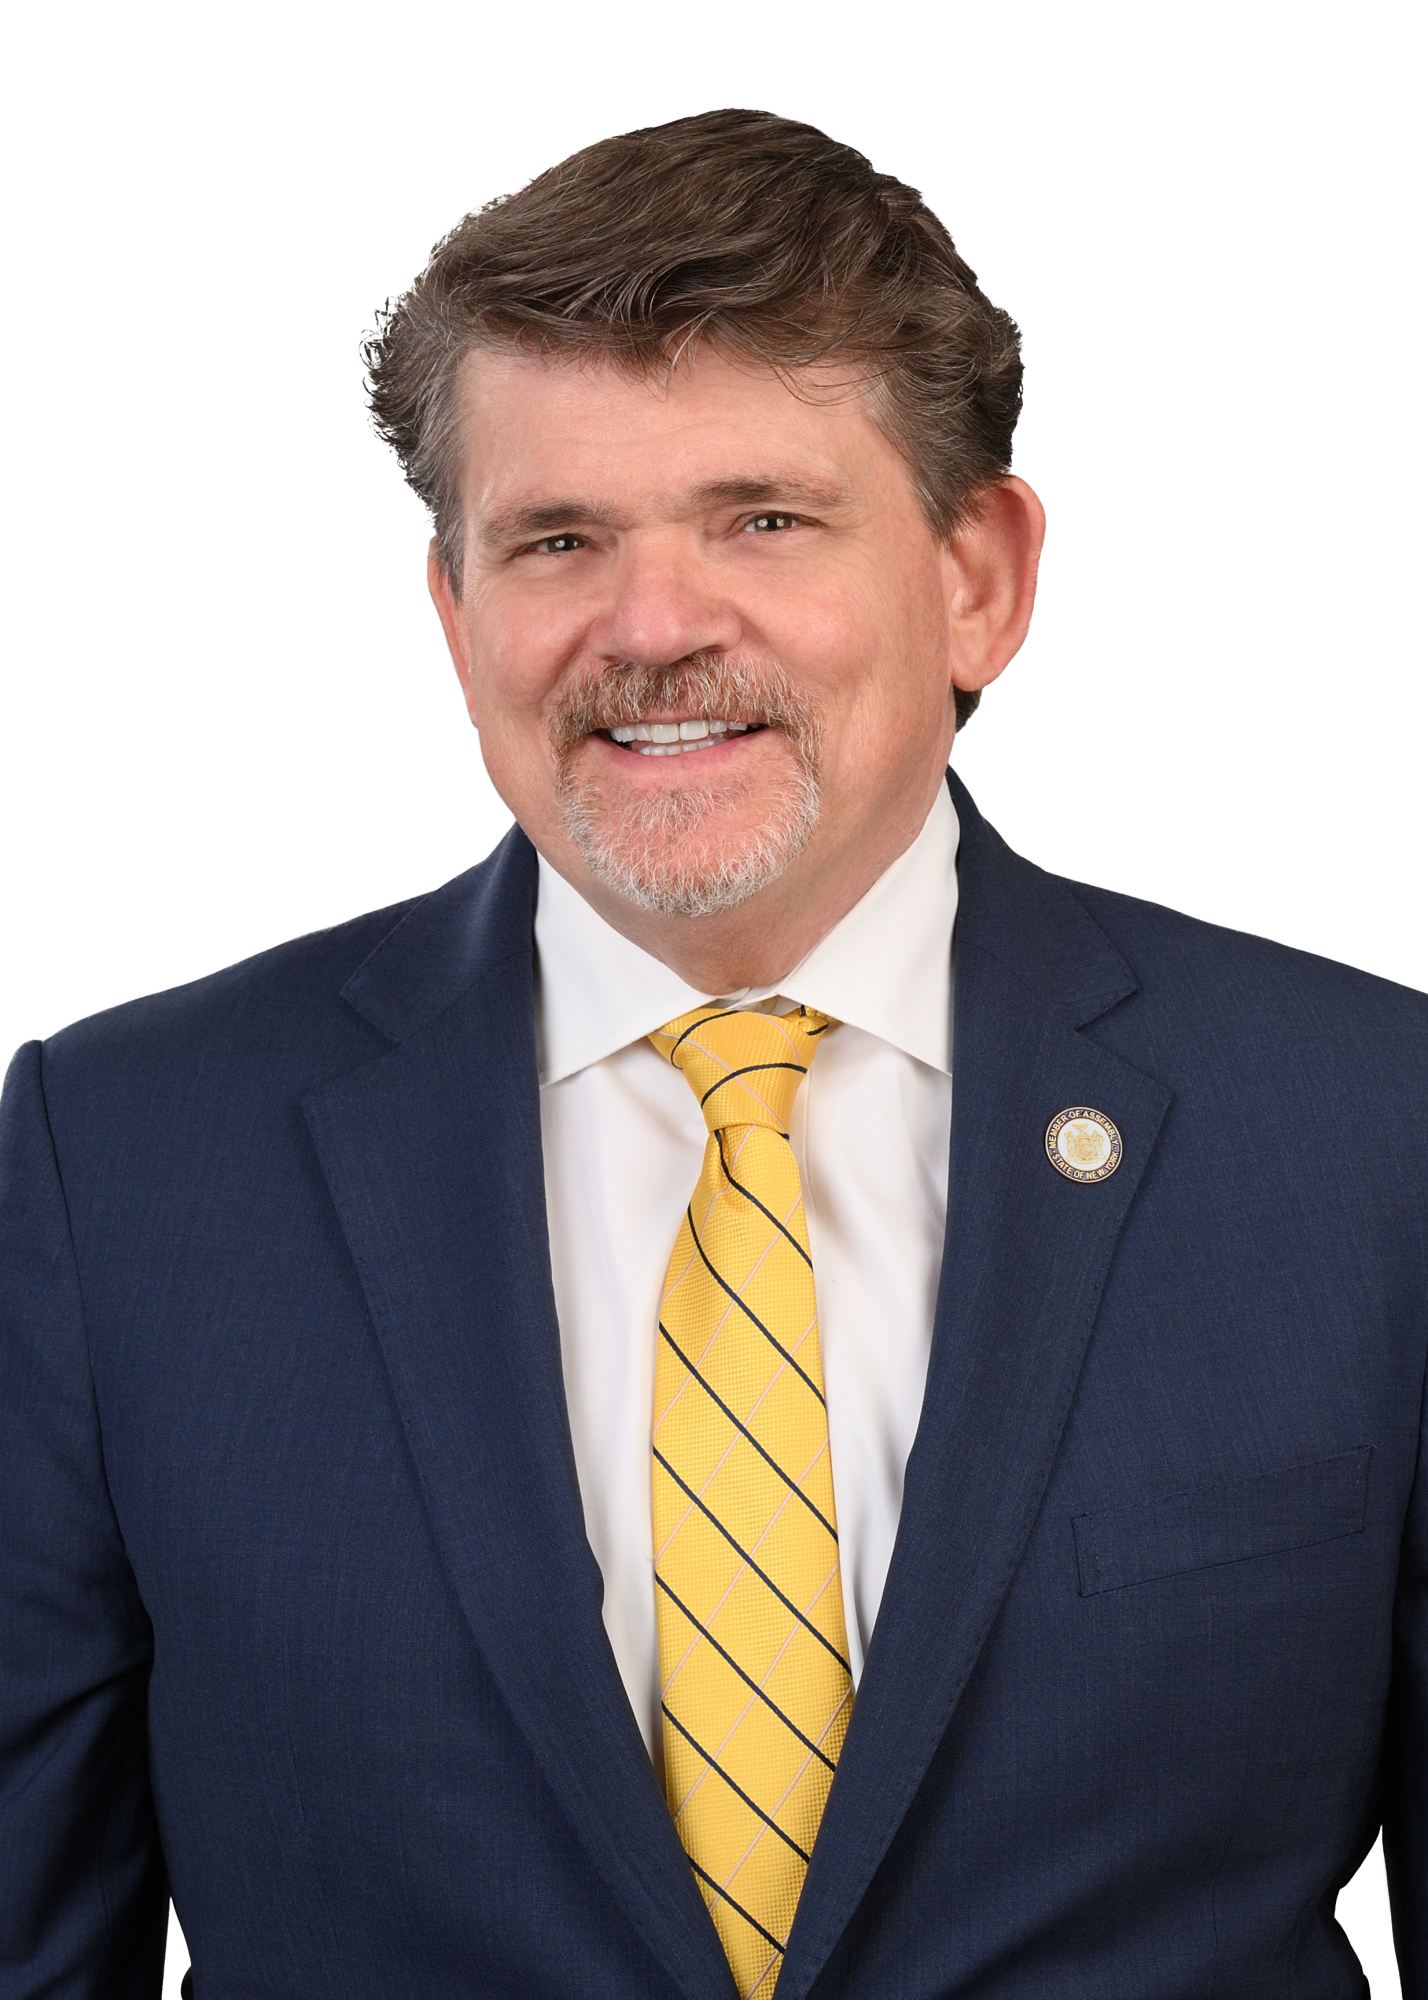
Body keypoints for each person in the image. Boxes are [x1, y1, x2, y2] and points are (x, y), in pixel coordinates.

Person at [1, 107, 1422, 2000]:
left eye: (764, 518)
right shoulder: (116, 1152)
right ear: (453, 611)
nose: (654, 627)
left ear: (980, 581)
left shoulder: (1378, 1125)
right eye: (558, 539)